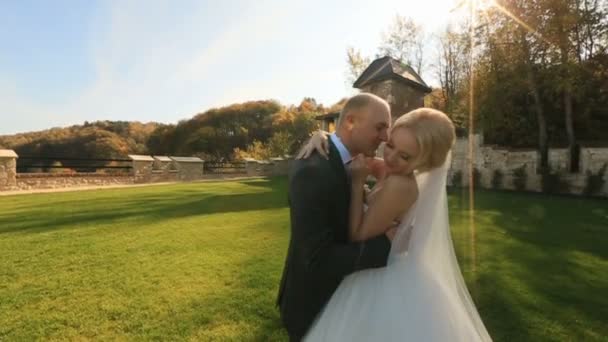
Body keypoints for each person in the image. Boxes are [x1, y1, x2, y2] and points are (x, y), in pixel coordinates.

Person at [300, 107, 492, 341]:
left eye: (405, 156)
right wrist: (322, 136)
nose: (390, 157)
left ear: (425, 162)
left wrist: (358, 183)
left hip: (384, 276)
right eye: (390, 145)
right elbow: (352, 151)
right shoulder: (392, 169)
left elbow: (357, 235)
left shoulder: (400, 185)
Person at [276, 93, 399, 341]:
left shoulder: (353, 160)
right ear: (351, 122)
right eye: (380, 127)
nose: (386, 137)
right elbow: (318, 259)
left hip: (345, 301)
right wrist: (389, 243)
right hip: (314, 304)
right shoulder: (314, 171)